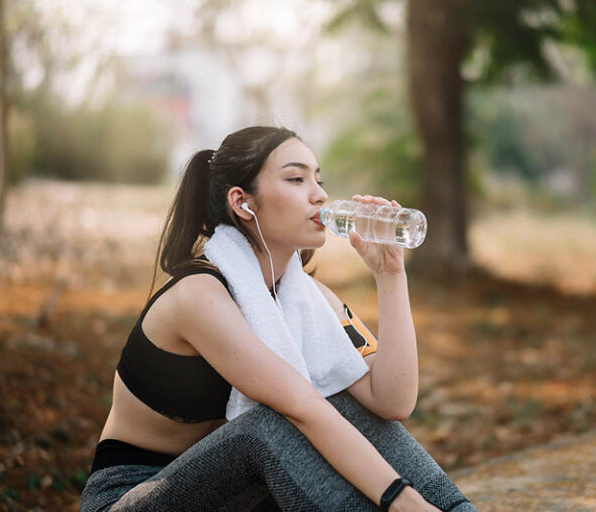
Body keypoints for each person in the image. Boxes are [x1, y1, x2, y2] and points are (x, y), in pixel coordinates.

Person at [79, 126, 476, 511]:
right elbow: (301, 407)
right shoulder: (198, 296)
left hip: (236, 494)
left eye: (318, 179)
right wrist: (401, 500)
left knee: (336, 398)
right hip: (135, 498)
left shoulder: (309, 299)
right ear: (242, 202)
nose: (319, 195)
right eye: (296, 179)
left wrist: (390, 275)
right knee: (272, 422)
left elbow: (391, 400)